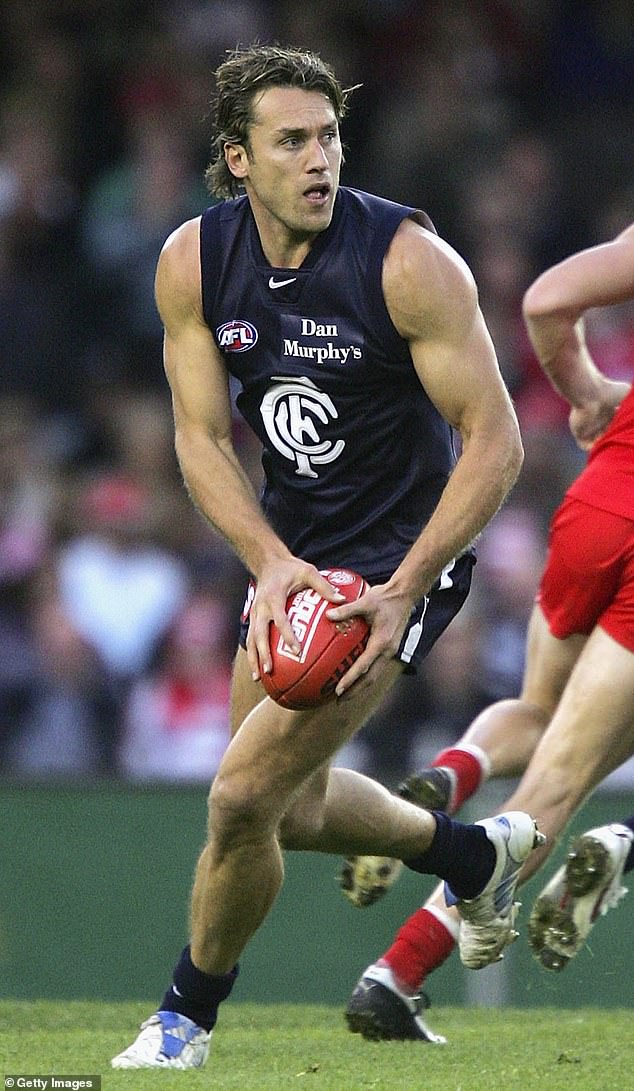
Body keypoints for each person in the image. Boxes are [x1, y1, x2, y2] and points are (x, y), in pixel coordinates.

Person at [110, 44, 540, 1071]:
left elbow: (498, 441)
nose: (319, 159)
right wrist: (264, 560)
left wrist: (399, 592)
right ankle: (473, 853)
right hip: (293, 559)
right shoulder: (194, 263)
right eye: (291, 141)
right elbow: (202, 440)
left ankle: (183, 1017)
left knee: (236, 798)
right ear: (237, 159)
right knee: (287, 809)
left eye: (329, 136)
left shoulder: (407, 262)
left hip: (399, 560)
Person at [344, 220, 634, 1043]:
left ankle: (453, 771)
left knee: (539, 708)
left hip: (607, 489)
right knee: (558, 783)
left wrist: (585, 390)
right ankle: (395, 974)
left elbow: (546, 301)